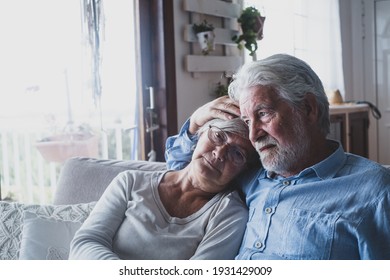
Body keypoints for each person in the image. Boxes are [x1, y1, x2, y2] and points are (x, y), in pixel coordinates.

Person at [165, 53, 390, 260]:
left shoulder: (374, 191)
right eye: (247, 121)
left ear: (309, 109)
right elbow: (183, 169)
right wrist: (195, 121)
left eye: (263, 114)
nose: (253, 135)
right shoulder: (250, 175)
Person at [69, 118, 258, 260]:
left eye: (237, 153)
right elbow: (85, 243)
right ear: (201, 134)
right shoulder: (130, 182)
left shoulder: (230, 214)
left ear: (244, 170)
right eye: (218, 136)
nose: (219, 153)